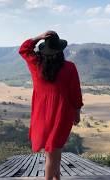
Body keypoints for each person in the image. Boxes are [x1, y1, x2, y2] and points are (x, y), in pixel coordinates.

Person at [19, 31, 84, 180]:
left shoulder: (36, 64)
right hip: (61, 114)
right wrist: (77, 113)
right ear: (60, 51)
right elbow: (75, 92)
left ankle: (57, 178)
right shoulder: (69, 67)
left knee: (54, 153)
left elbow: (23, 49)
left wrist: (38, 37)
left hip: (41, 114)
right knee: (54, 153)